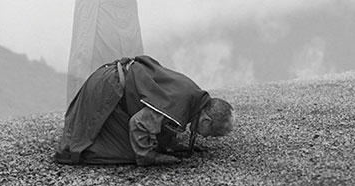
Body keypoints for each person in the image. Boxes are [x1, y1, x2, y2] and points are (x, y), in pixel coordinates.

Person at [54, 55, 235, 166]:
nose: (206, 137)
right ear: (206, 121)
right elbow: (139, 123)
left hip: (111, 77)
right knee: (123, 152)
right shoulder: (179, 104)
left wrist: (172, 144)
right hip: (108, 89)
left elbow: (163, 116)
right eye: (210, 134)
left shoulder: (195, 96)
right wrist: (149, 156)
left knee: (144, 139)